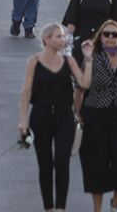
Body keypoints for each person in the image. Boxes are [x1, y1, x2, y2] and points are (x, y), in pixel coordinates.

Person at [19, 23, 93, 212]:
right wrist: (23, 121)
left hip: (64, 115)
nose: (62, 40)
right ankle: (48, 207)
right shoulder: (34, 61)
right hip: (41, 115)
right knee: (45, 164)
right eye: (58, 36)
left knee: (62, 161)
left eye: (62, 37)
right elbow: (26, 93)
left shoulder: (69, 61)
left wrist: (88, 59)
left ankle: (60, 208)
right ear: (46, 39)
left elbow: (84, 83)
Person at [77, 20, 117, 212]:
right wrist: (77, 113)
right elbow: (81, 88)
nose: (111, 38)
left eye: (115, 34)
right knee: (96, 165)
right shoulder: (92, 59)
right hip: (95, 115)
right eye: (106, 34)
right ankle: (97, 209)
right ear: (100, 38)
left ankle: (115, 204)